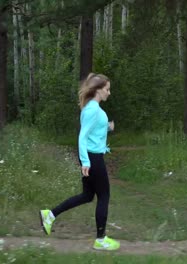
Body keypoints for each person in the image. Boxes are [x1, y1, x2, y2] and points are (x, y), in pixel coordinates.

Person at [39, 73, 120, 251]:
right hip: (92, 158)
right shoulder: (92, 110)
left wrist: (107, 127)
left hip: (92, 157)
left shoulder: (93, 108)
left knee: (87, 196)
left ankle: (50, 215)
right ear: (98, 90)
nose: (109, 93)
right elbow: (82, 137)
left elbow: (93, 131)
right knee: (104, 196)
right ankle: (101, 239)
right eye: (107, 89)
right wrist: (85, 162)